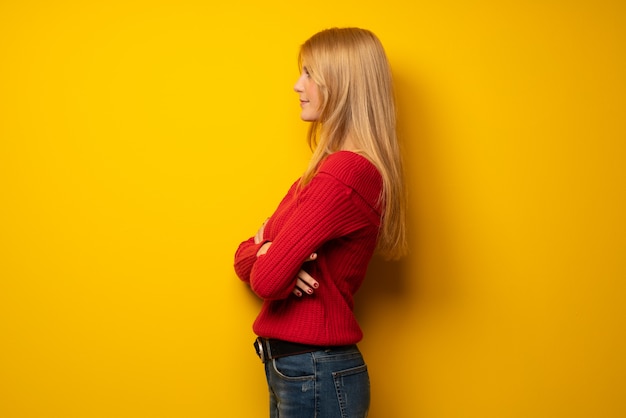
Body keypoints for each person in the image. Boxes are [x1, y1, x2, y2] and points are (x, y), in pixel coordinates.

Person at [233, 27, 407, 418]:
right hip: (299, 371)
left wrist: (274, 259)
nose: (298, 84)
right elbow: (243, 258)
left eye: (310, 73)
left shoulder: (345, 174)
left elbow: (265, 280)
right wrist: (269, 252)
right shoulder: (318, 176)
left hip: (315, 372)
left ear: (343, 84)